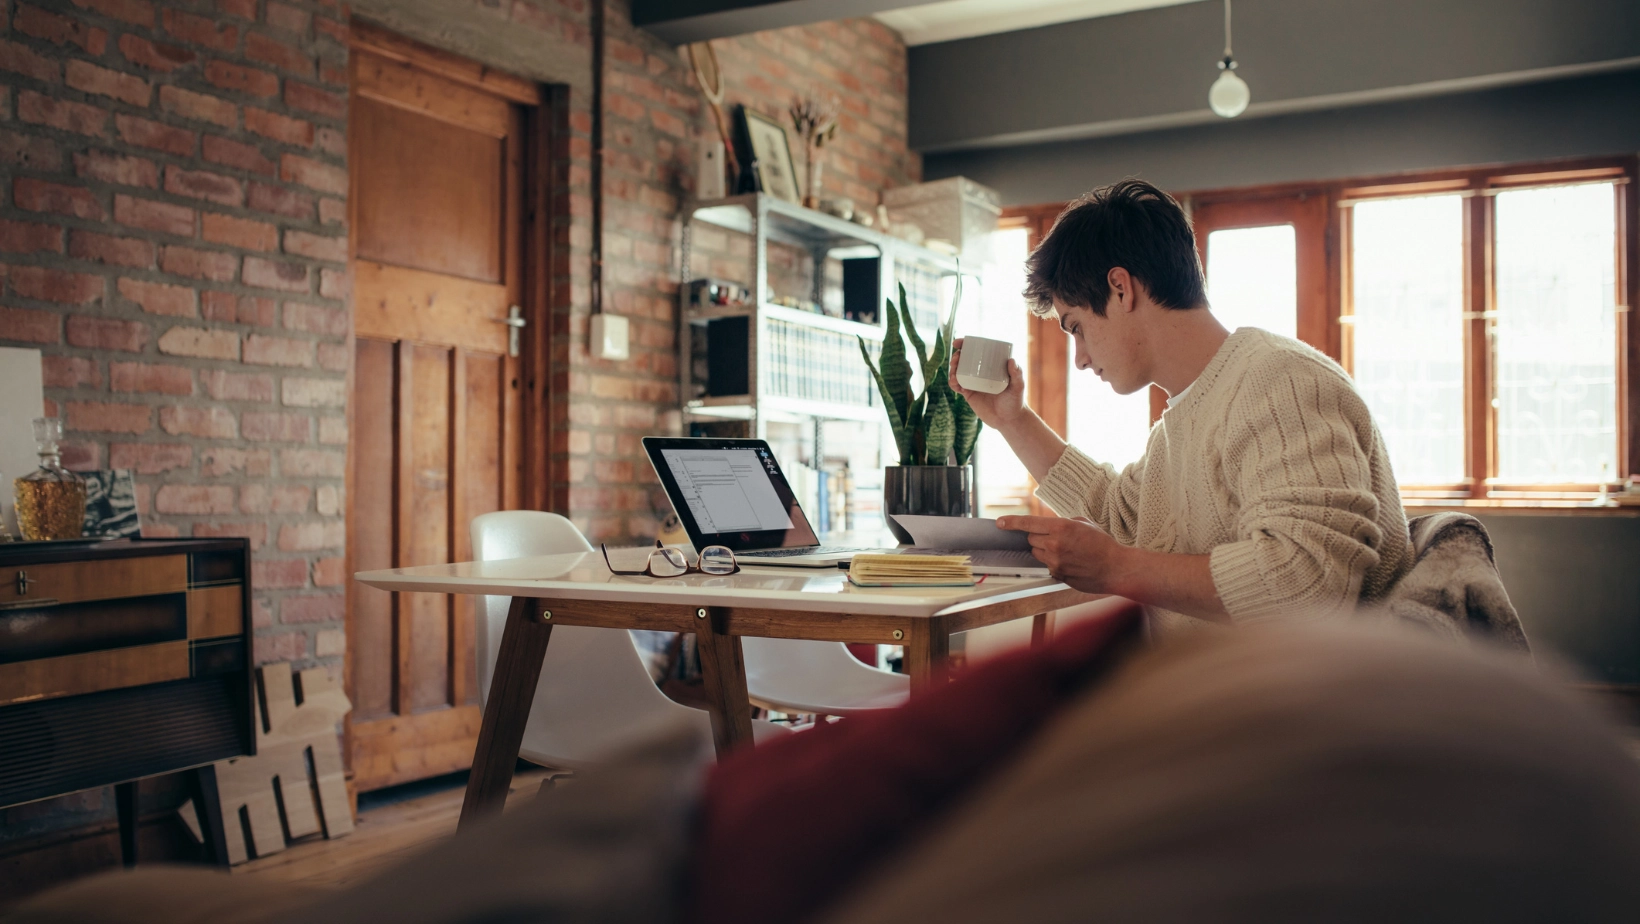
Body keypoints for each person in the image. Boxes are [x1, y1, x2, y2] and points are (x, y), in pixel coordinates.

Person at [952, 179, 1411, 635]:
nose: (1081, 357)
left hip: (1303, 702)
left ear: (1120, 288)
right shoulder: (1187, 416)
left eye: (1077, 328)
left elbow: (1306, 582)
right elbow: (1117, 515)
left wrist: (1117, 568)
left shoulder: (1281, 382)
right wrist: (1012, 420)